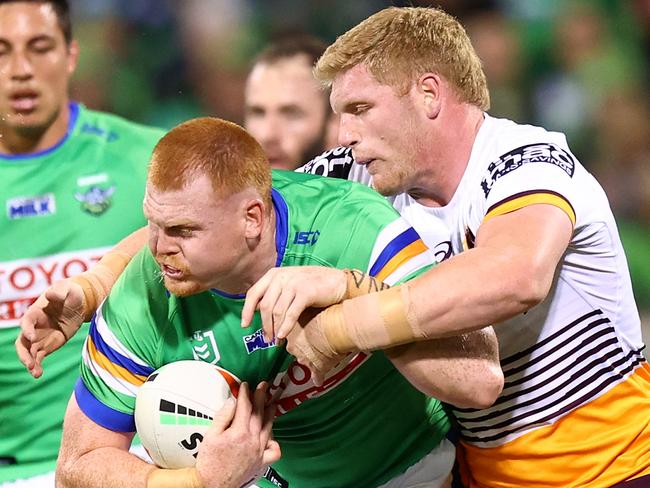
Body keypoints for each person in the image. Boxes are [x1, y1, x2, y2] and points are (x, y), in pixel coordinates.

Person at [246, 6, 650, 488]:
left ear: (429, 94)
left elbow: (514, 277)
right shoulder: (356, 174)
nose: (345, 136)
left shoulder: (527, 161)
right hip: (473, 475)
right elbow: (227, 210)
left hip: (614, 470)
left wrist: (344, 317)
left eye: (359, 110)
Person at [51, 117, 503, 488]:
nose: (157, 248)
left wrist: (356, 293)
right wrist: (197, 482)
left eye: (183, 231)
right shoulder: (143, 295)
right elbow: (77, 465)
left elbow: (478, 382)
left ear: (252, 218)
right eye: (153, 223)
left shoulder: (352, 228)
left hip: (411, 469)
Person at [0, 1, 165, 486]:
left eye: (40, 47)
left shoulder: (147, 160)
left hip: (132, 457)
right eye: (1, 51)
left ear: (71, 55)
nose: (22, 71)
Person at [243, 33, 339, 170]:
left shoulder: (368, 190)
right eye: (258, 113)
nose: (268, 135)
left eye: (291, 114)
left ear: (336, 122)